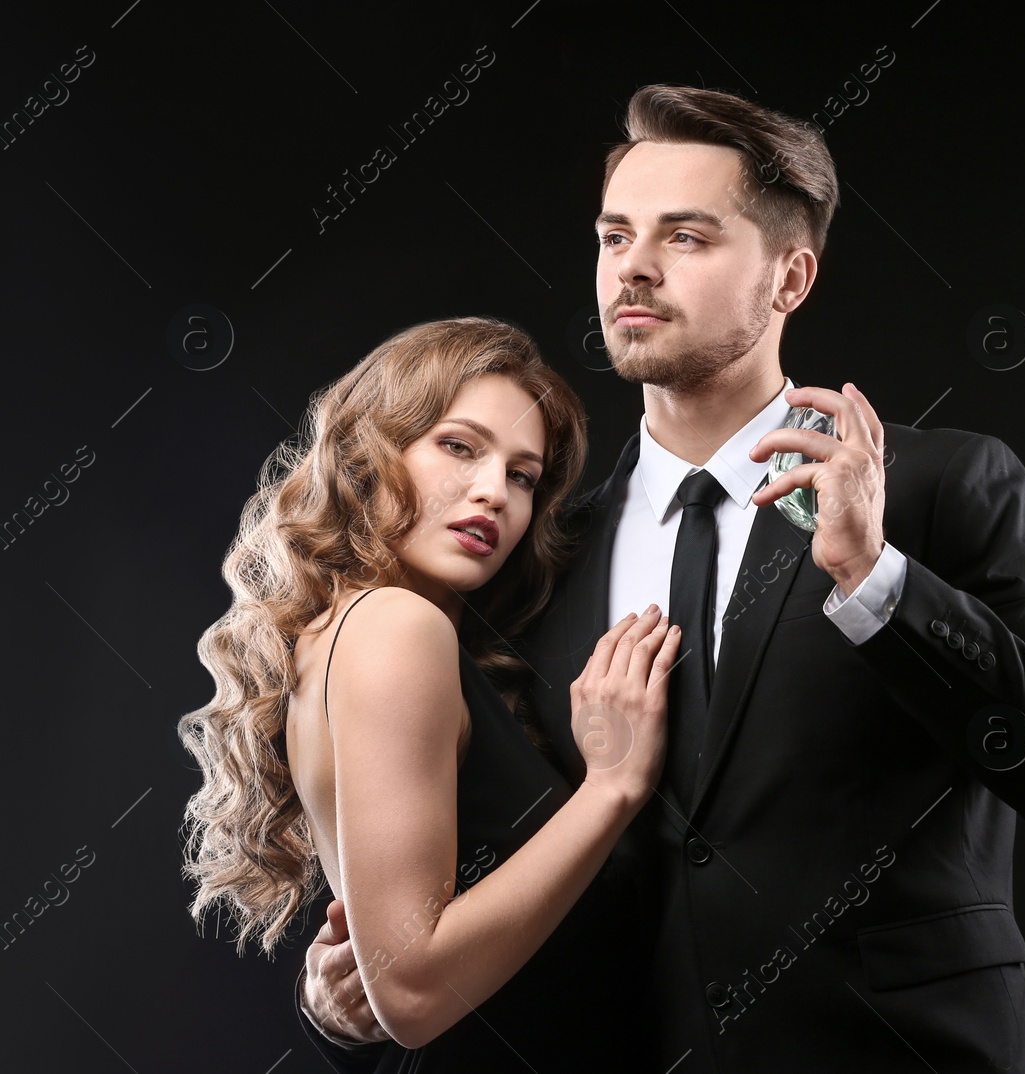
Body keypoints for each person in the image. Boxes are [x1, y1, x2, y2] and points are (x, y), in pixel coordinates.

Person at [301, 86, 1025, 1073]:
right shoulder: (532, 562)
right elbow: (451, 906)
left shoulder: (937, 487)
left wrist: (875, 579)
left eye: (687, 238)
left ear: (790, 278)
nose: (635, 269)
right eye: (615, 236)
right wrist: (344, 1007)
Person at [178, 317, 677, 1069]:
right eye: (459, 446)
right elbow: (410, 993)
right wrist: (611, 788)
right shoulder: (396, 628)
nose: (493, 494)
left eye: (522, 476)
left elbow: (388, 987)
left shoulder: (343, 632)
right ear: (371, 453)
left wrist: (336, 1012)